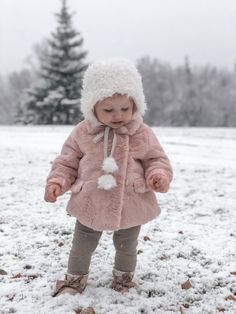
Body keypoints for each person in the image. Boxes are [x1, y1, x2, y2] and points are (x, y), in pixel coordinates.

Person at [44, 58, 173, 296]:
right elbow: (67, 161)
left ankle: (123, 280)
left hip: (131, 201)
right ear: (92, 107)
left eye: (125, 108)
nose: (118, 116)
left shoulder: (142, 133)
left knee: (127, 246)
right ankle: (74, 280)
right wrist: (57, 182)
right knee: (82, 244)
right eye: (109, 110)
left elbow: (156, 159)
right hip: (90, 201)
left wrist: (158, 174)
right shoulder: (83, 132)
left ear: (136, 104)